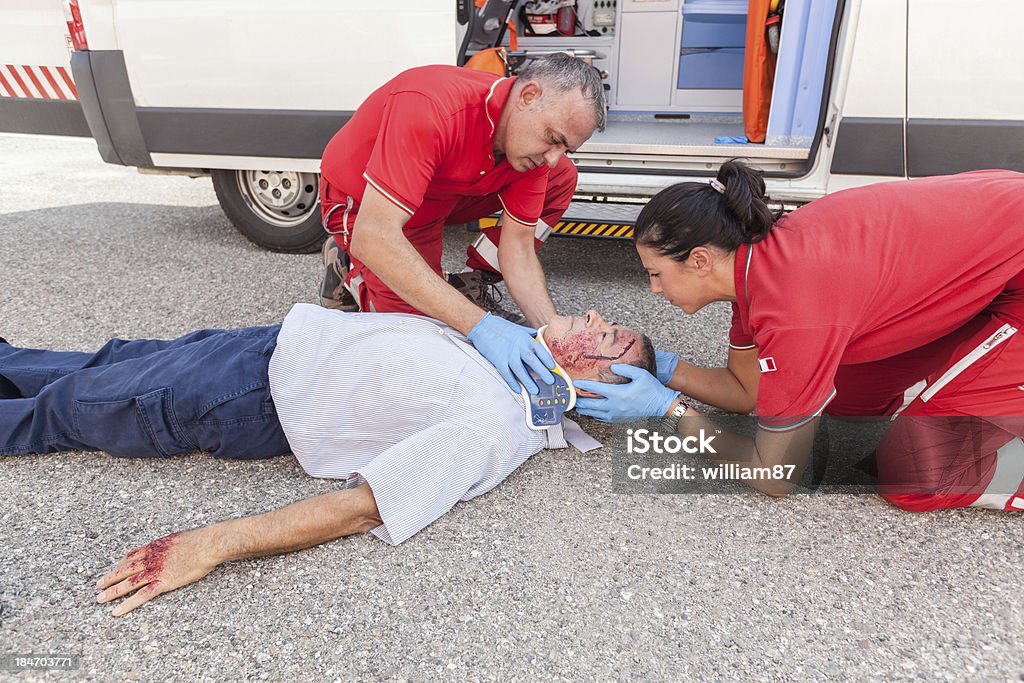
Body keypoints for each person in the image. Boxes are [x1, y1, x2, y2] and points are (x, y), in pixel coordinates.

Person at [0, 306, 653, 615]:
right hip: (267, 343)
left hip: (246, 395)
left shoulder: (493, 427)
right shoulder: (517, 361)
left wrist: (211, 544)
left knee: (65, 410)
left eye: (607, 336)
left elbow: (363, 505)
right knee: (105, 362)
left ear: (589, 386)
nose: (594, 316)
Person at [573, 161, 1024, 511]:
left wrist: (670, 412)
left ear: (699, 261)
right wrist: (661, 369)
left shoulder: (794, 308)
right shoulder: (754, 268)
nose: (653, 289)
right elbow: (747, 391)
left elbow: (777, 476)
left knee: (911, 473)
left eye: (656, 274)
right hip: (996, 260)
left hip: (1014, 273)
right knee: (851, 415)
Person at [317, 54, 606, 396]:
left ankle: (471, 283)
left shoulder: (532, 146)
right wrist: (480, 326)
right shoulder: (430, 106)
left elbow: (519, 248)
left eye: (566, 148)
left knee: (562, 178)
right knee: (413, 342)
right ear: (528, 96)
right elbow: (375, 235)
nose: (553, 156)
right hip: (369, 205)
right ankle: (350, 266)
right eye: (554, 139)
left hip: (442, 193)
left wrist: (552, 336)